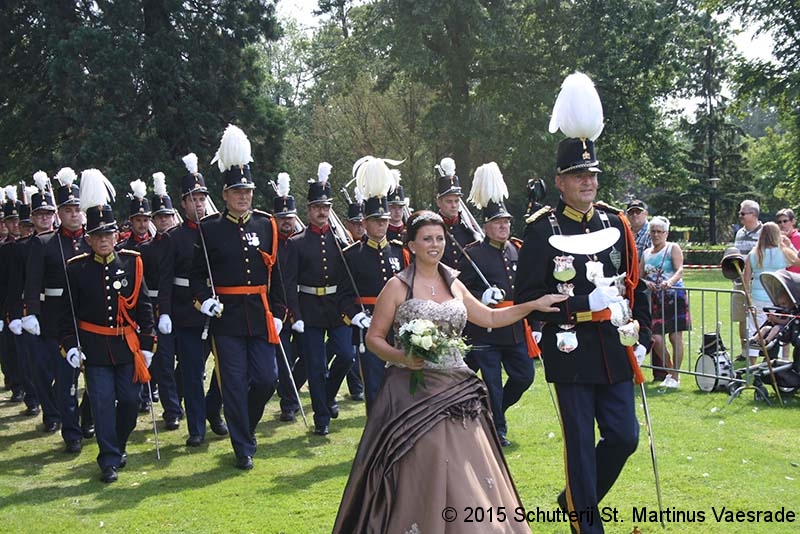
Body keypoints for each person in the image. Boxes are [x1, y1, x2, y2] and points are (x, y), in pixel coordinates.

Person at [333, 210, 566, 533]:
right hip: (413, 392)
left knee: (468, 463)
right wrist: (402, 357)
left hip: (458, 388)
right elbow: (374, 338)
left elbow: (490, 318)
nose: (435, 245)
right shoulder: (397, 286)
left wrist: (531, 306)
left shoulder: (454, 283)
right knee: (428, 458)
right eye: (427, 239)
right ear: (412, 245)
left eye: (440, 238)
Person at [514, 72, 651, 534]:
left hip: (614, 347)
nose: (588, 182)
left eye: (592, 175)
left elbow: (635, 284)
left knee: (624, 437)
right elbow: (527, 298)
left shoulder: (616, 222)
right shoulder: (541, 229)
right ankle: (586, 523)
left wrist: (643, 334)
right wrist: (571, 304)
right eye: (578, 175)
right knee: (578, 445)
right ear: (560, 181)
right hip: (570, 349)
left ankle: (572, 500)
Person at [190, 125, 286, 470]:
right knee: (232, 383)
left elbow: (277, 273)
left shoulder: (266, 224)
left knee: (266, 379)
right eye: (237, 191)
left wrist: (280, 312)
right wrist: (205, 300)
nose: (243, 197)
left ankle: (245, 426)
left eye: (247, 191)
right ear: (225, 194)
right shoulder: (209, 228)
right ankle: (242, 446)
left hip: (260, 315)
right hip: (226, 318)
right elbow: (196, 276)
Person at [62, 168, 155, 483]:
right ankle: (109, 459)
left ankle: (119, 444)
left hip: (127, 348)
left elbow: (144, 307)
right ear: (89, 239)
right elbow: (68, 314)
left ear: (117, 235)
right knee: (102, 403)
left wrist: (148, 345)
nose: (103, 240)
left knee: (129, 401)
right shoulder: (76, 269)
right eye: (97, 236)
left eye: (108, 235)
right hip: (95, 349)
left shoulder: (132, 262)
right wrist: (70, 346)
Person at [461, 161, 533, 448]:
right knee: (492, 383)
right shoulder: (473, 254)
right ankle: (498, 430)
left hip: (514, 329)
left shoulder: (517, 249)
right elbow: (460, 290)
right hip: (486, 332)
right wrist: (481, 297)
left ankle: (493, 412)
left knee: (524, 376)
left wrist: (535, 325)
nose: (503, 226)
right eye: (497, 222)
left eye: (506, 222)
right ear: (486, 227)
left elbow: (526, 290)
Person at [23, 168, 93, 453]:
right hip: (57, 321)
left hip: (91, 318)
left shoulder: (92, 240)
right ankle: (71, 431)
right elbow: (33, 282)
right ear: (59, 214)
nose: (74, 214)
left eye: (77, 209)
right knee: (66, 381)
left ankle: (87, 417)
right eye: (67, 210)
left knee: (96, 377)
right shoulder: (44, 243)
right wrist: (32, 313)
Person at [286, 162, 355, 436]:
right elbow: (289, 283)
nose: (322, 212)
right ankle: (321, 417)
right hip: (309, 309)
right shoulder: (296, 242)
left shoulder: (340, 239)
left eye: (326, 207)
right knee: (315, 366)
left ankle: (326, 396)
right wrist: (295, 315)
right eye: (317, 207)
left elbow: (348, 277)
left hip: (337, 308)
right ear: (309, 209)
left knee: (346, 355)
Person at [165, 154, 226, 447]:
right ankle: (196, 427)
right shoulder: (174, 238)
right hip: (187, 312)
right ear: (183, 203)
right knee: (192, 372)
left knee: (226, 368)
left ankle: (213, 408)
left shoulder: (217, 230)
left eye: (202, 199)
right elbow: (168, 281)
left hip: (220, 311)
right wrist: (165, 313)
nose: (199, 204)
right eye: (193, 199)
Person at [343, 156, 409, 411]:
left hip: (398, 326)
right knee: (374, 386)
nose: (381, 225)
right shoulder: (353, 255)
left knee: (399, 383)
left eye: (384, 220)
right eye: (375, 220)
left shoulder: (399, 252)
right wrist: (354, 316)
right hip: (368, 325)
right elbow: (343, 296)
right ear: (365, 223)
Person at [641, 216, 691, 388]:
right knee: (656, 337)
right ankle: (670, 371)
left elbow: (680, 270)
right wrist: (646, 282)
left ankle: (675, 376)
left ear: (666, 233)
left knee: (675, 336)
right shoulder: (646, 253)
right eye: (653, 231)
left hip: (674, 296)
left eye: (659, 232)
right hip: (656, 299)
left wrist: (670, 282)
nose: (655, 235)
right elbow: (640, 275)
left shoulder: (672, 248)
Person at [742, 222, 800, 365]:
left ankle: (751, 363)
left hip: (757, 295)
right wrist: (789, 246)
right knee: (776, 329)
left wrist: (747, 298)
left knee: (754, 329)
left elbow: (746, 279)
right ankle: (773, 362)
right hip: (777, 296)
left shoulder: (753, 254)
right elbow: (798, 262)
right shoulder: (783, 252)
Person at [271, 172, 304, 423]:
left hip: (302, 308)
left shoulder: (302, 242)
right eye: (282, 218)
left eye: (290, 218)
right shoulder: (269, 242)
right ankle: (289, 404)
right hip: (277, 309)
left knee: (308, 357)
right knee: (284, 360)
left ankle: (291, 390)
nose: (286, 222)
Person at [434, 157, 481, 269]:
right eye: (449, 201)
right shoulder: (432, 227)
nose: (454, 205)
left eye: (456, 201)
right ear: (439, 202)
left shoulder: (469, 228)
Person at [732, 199, 763, 359]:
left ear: (754, 214)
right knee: (741, 318)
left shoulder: (763, 233)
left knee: (757, 318)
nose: (740, 215)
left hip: (756, 284)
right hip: (738, 282)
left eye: (743, 213)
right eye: (740, 213)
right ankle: (745, 352)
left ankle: (761, 351)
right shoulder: (739, 232)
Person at [776, 208, 800, 274]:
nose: (782, 224)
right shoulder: (776, 239)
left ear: (793, 221)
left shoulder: (798, 237)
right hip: (781, 276)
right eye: (779, 222)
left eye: (785, 221)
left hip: (796, 276)